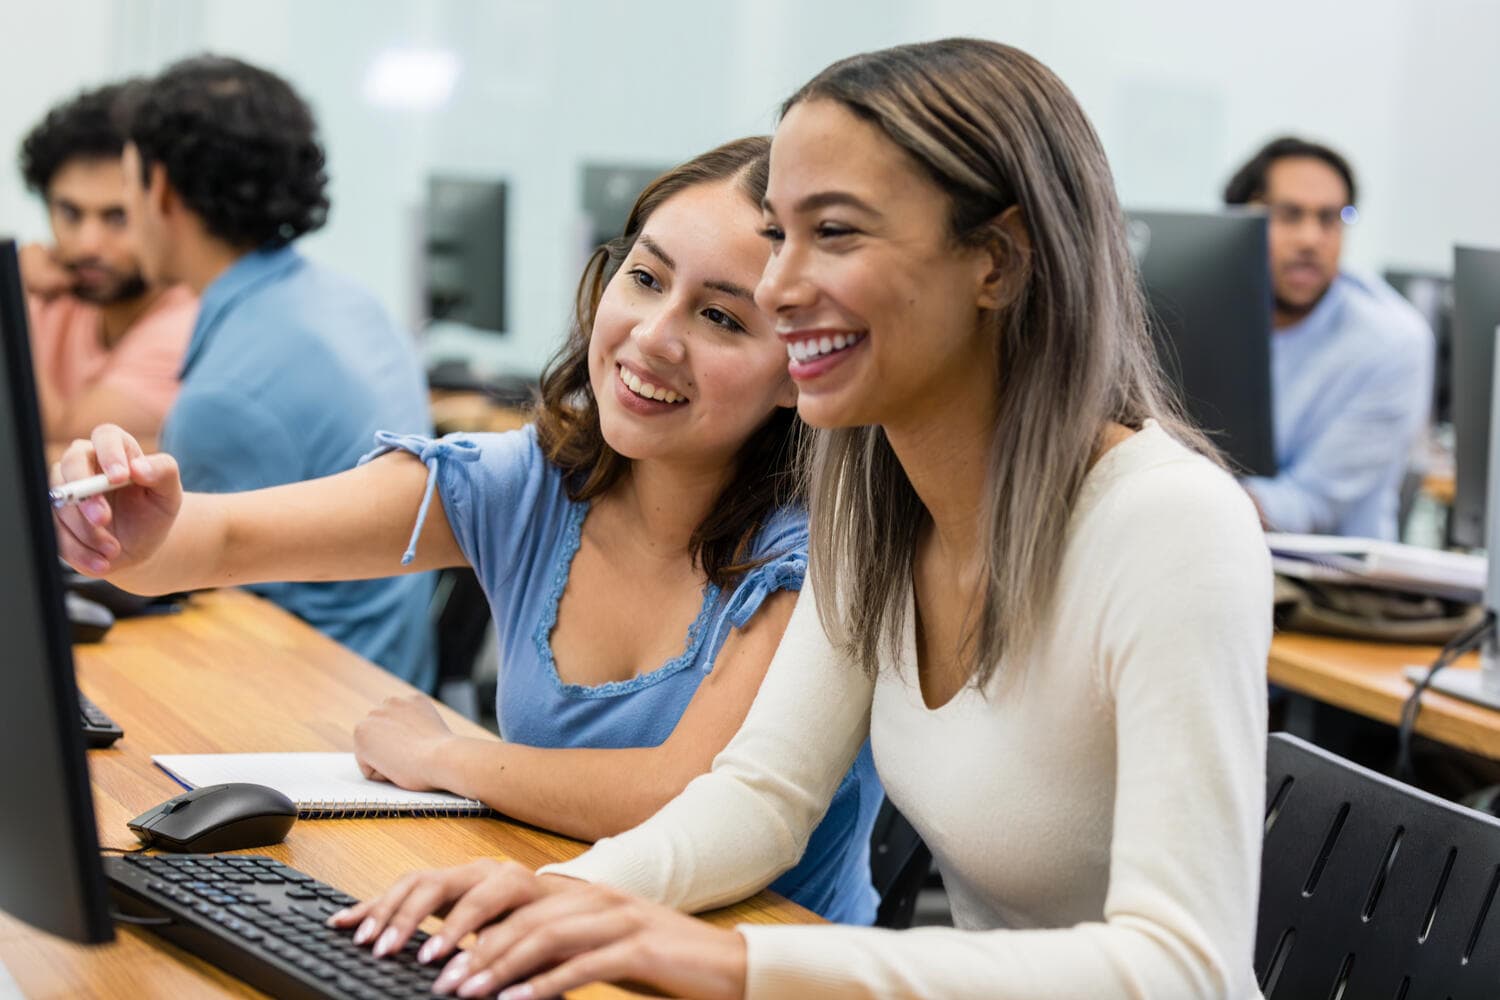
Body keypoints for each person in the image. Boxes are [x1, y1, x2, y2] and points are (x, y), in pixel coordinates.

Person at [326, 38, 1274, 1000]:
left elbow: (1181, 966)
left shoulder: (1170, 526)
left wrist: (736, 961)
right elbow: (761, 799)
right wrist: (552, 899)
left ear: (997, 261)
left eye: (837, 233)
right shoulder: (873, 502)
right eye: (780, 234)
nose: (778, 287)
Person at [52, 137, 883, 926]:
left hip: (749, 958)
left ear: (797, 368)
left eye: (723, 320)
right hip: (556, 915)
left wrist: (447, 758)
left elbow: (684, 794)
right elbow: (226, 540)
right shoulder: (531, 482)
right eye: (645, 279)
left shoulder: (814, 554)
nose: (654, 335)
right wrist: (136, 531)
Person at [115, 55, 436, 688]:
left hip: (304, 712)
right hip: (382, 680)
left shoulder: (227, 398)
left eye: (127, 186)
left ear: (160, 190)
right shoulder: (341, 299)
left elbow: (181, 587)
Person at [1225, 136, 1433, 540]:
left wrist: (1182, 498)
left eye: (1330, 219)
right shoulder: (1193, 309)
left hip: (1327, 588)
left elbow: (1308, 506)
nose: (1310, 239)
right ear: (1235, 221)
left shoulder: (1393, 342)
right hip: (1213, 548)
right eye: (1288, 215)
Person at [17, 82, 195, 444]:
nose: (87, 244)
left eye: (117, 217)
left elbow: (55, 447)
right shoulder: (49, 290)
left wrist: (9, 295)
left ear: (162, 206)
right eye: (69, 212)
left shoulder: (189, 326)